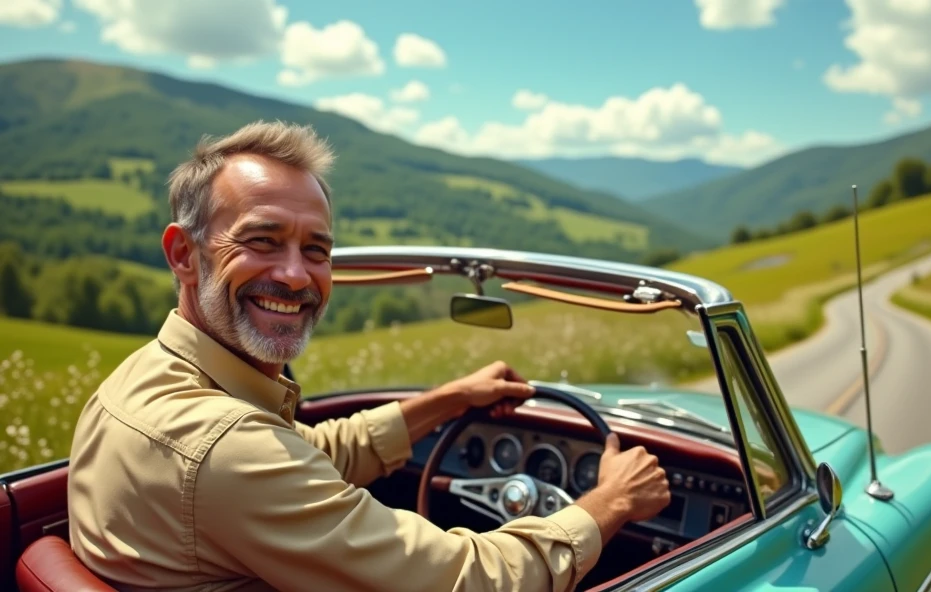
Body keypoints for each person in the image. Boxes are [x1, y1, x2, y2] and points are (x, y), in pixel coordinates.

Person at [66, 121, 671, 592]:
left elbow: (298, 461)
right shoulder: (223, 449)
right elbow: (472, 580)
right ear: (184, 255)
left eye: (317, 249)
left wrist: (445, 402)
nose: (297, 276)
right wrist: (611, 502)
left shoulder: (143, 383)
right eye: (262, 240)